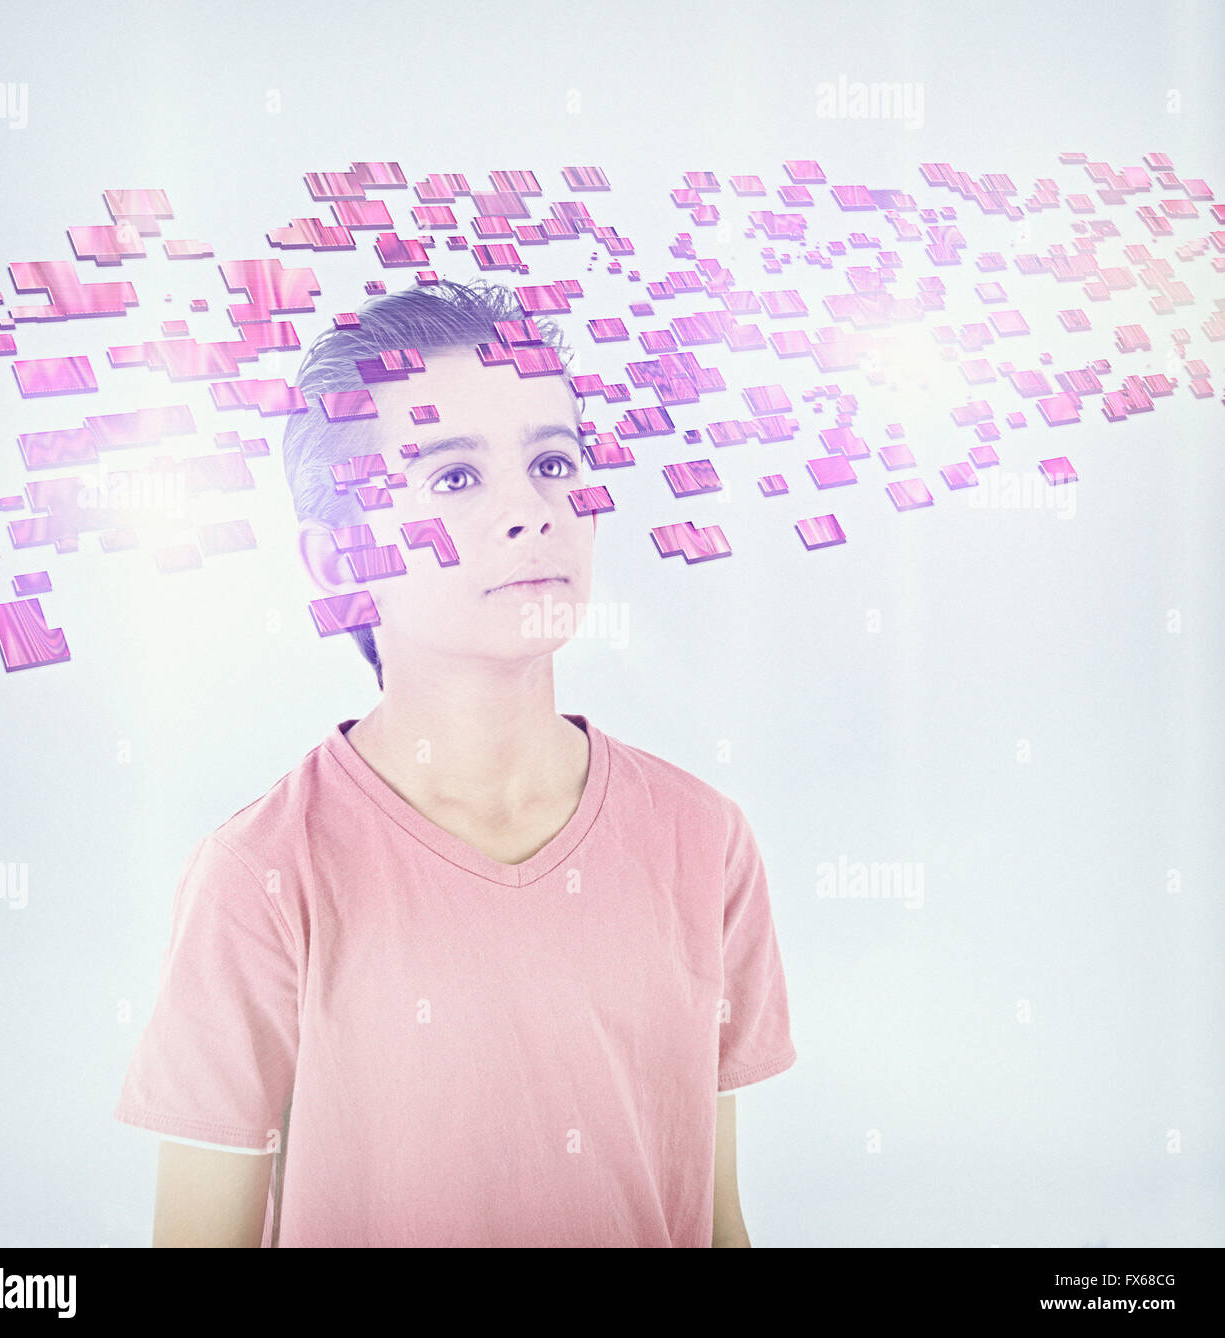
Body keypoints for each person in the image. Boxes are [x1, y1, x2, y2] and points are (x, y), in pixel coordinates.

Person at [113, 278, 796, 1247]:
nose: (532, 510)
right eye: (453, 478)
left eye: (556, 462)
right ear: (340, 561)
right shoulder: (262, 876)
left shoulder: (702, 837)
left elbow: (711, 1212)